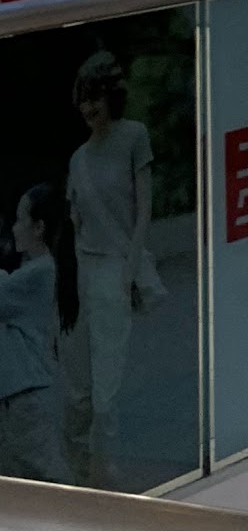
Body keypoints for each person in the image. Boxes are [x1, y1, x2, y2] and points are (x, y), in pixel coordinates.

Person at [62, 52, 154, 489]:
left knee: (107, 388)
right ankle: (78, 474)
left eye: (95, 96)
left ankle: (105, 470)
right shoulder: (78, 158)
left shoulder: (134, 136)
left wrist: (130, 271)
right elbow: (75, 224)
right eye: (83, 98)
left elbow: (144, 209)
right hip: (83, 272)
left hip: (115, 269)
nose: (89, 107)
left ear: (111, 96)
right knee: (78, 388)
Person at [0, 185, 67, 482]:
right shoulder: (31, 271)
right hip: (18, 394)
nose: (14, 228)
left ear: (38, 228)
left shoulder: (39, 273)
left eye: (20, 220)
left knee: (47, 477)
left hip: (26, 396)